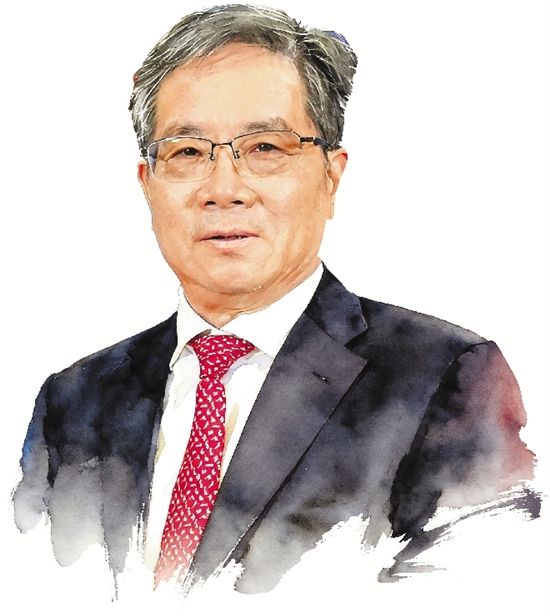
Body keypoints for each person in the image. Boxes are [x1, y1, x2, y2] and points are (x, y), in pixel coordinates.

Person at [12, 3, 536, 595]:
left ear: (331, 176)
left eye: (265, 148)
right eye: (187, 153)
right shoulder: (74, 400)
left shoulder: (446, 378)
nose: (224, 189)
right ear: (147, 184)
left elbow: (482, 588)